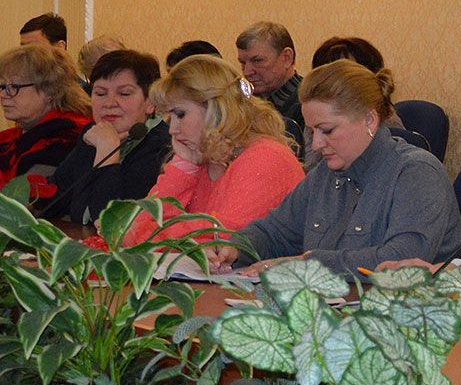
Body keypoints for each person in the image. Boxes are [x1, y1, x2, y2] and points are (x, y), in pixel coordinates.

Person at [211, 61, 461, 275]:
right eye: (311, 131)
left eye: (327, 130)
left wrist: (306, 264)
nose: (317, 144)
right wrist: (235, 248)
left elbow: (398, 262)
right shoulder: (325, 173)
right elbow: (274, 231)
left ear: (369, 119)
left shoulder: (417, 174)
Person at [127, 55, 303, 244]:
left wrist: (140, 234)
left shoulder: (266, 157)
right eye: (169, 117)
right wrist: (185, 166)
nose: (172, 129)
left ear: (215, 109)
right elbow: (141, 220)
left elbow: (224, 236)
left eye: (180, 114)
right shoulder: (205, 156)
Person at [40, 50, 173, 227]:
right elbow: (53, 196)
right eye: (100, 94)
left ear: (151, 103)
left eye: (124, 94)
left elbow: (112, 223)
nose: (109, 103)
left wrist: (107, 151)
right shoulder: (94, 134)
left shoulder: (164, 146)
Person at [0, 43, 91, 196]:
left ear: (50, 91)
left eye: (14, 86)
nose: (3, 94)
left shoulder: (68, 139)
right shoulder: (14, 136)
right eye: (2, 86)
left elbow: (23, 203)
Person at [235, 21, 304, 157]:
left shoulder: (309, 103)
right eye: (243, 63)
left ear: (287, 58)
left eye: (257, 61)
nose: (247, 72)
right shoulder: (244, 105)